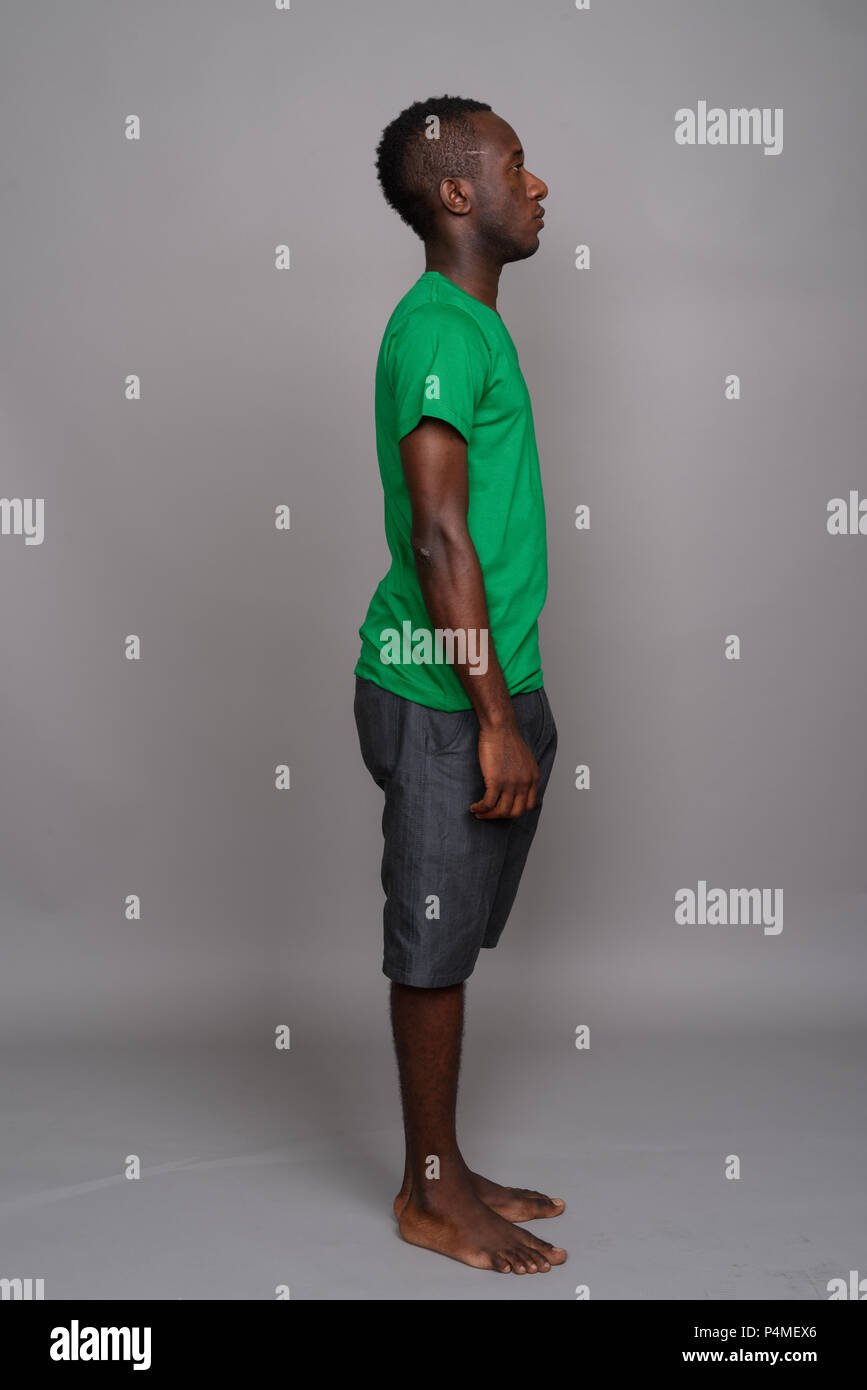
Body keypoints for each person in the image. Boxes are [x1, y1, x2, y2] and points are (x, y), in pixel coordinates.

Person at [353, 96, 565, 1275]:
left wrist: (518, 699)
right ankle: (427, 1194)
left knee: (459, 933)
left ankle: (448, 1161)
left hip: (491, 686)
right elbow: (438, 537)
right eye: (518, 168)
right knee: (430, 946)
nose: (540, 188)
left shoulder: (473, 328)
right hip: (444, 698)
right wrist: (493, 720)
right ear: (457, 196)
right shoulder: (437, 331)